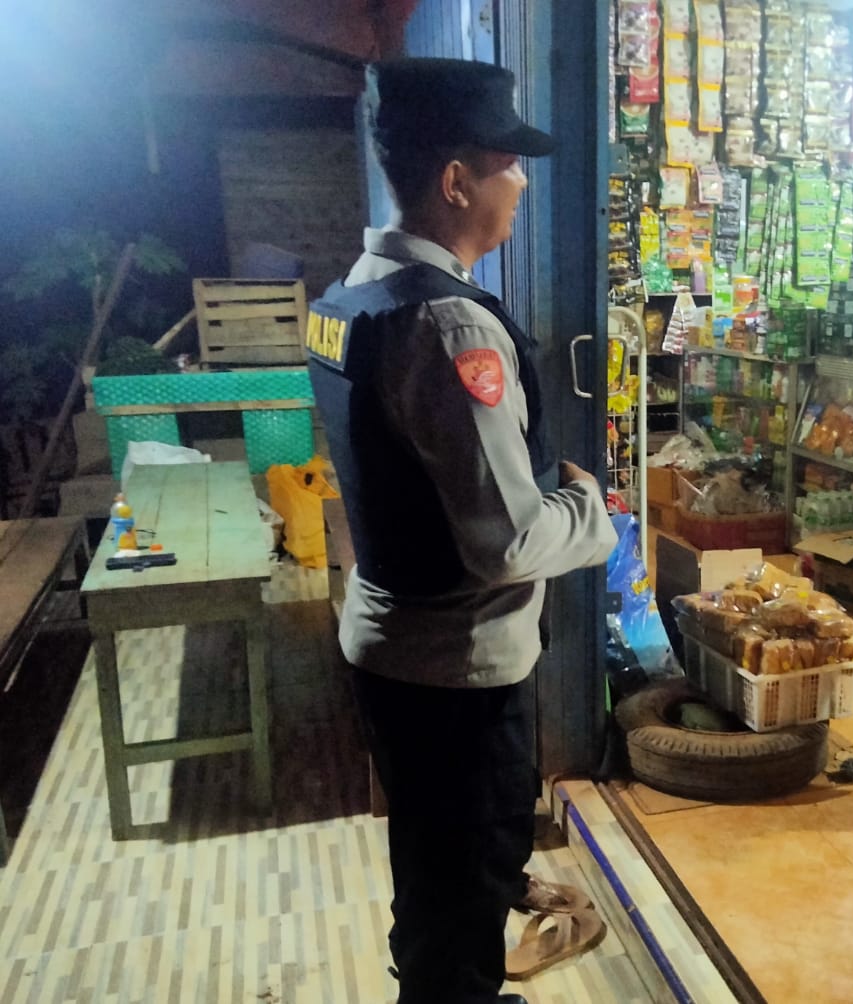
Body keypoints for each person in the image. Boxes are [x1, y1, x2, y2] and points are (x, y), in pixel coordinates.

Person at [305, 58, 617, 1003]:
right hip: (459, 671)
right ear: (455, 181)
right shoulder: (452, 327)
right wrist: (593, 512)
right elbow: (506, 544)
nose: (521, 182)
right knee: (467, 895)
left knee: (434, 879)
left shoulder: (352, 295)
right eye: (507, 164)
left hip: (393, 647)